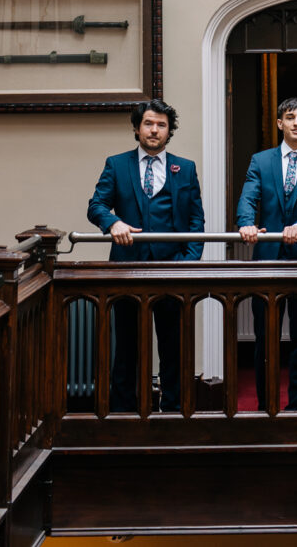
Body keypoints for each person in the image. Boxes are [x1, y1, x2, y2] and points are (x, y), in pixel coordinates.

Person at [87, 98, 204, 412]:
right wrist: (114, 222)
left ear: (169, 131)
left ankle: (175, 412)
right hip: (127, 270)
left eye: (161, 125)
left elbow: (196, 221)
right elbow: (96, 206)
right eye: (149, 124)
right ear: (137, 129)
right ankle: (125, 414)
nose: (154, 130)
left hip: (174, 272)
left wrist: (188, 263)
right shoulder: (117, 164)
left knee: (174, 348)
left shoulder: (186, 168)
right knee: (127, 347)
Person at [237, 97, 297, 411]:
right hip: (266, 259)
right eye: (290, 117)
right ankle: (267, 408)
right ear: (279, 123)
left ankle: (296, 407)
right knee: (266, 340)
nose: (295, 122)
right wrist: (246, 224)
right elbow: (249, 197)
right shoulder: (260, 161)